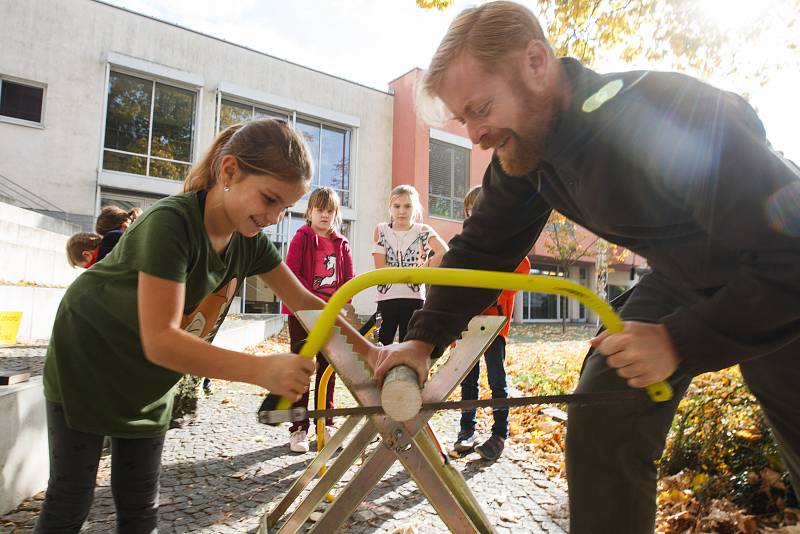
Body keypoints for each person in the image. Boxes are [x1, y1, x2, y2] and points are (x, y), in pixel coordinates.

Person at [373, 2, 800, 533]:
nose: (475, 135)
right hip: (688, 275)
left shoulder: (668, 114)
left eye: (482, 108)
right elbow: (483, 247)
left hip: (778, 269)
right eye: (464, 119)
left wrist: (677, 342)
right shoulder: (527, 151)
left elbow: (789, 258)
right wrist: (421, 341)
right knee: (605, 406)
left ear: (536, 62)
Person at [36, 119, 376, 533]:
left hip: (146, 375)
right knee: (71, 500)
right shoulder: (170, 224)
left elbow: (305, 301)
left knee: (141, 504)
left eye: (284, 208)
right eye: (269, 199)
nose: (273, 217)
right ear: (229, 171)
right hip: (89, 357)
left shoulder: (249, 240)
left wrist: (372, 354)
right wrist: (261, 370)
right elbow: (161, 341)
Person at [452, 185, 531, 461]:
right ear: (467, 214)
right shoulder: (463, 244)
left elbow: (521, 270)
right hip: (468, 324)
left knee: (497, 378)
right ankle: (466, 430)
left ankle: (499, 432)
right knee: (468, 379)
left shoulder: (508, 243)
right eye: (474, 211)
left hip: (494, 322)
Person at [282, 186, 354, 453]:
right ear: (309, 212)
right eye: (320, 210)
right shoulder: (301, 238)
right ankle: (298, 428)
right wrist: (313, 303)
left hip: (331, 316)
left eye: (330, 211)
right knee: (301, 369)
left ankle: (327, 424)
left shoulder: (342, 244)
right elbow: (293, 274)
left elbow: (348, 280)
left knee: (328, 370)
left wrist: (339, 307)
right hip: (302, 314)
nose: (325, 215)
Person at [372, 184, 448, 346]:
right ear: (390, 208)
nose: (402, 211)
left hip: (413, 297)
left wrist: (422, 269)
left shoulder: (422, 230)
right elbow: (380, 267)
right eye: (397, 206)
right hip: (387, 298)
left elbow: (444, 252)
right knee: (380, 344)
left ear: (416, 209)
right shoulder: (381, 230)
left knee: (410, 345)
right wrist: (409, 274)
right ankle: (377, 372)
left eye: (408, 206)